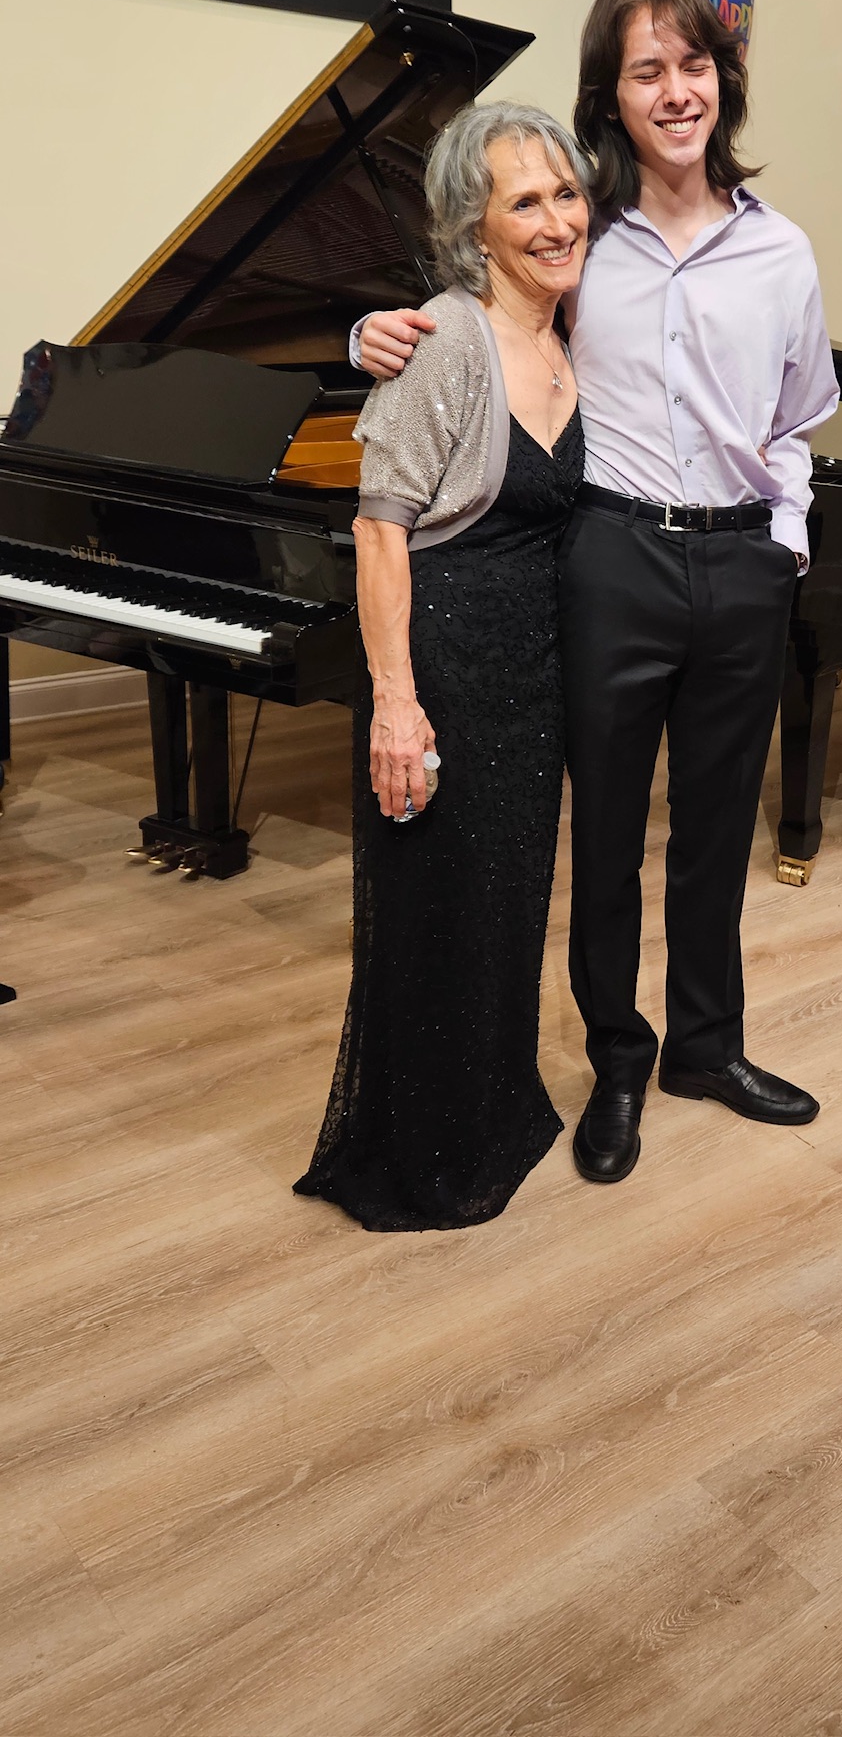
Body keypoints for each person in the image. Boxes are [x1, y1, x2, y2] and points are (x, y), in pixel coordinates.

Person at [354, 0, 840, 1186]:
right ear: (611, 96)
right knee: (611, 835)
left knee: (719, 830)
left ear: (722, 80)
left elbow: (801, 417)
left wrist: (779, 543)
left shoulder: (784, 253)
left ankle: (708, 1047)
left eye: (693, 64)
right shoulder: (579, 239)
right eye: (646, 70)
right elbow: (469, 321)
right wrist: (360, 333)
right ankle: (619, 1057)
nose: (674, 91)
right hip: (611, 555)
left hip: (740, 562)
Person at [294, 102, 588, 1231]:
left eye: (566, 192)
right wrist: (397, 705)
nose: (557, 219)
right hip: (449, 667)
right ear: (475, 224)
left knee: (508, 907)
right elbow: (379, 527)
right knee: (435, 912)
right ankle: (419, 1149)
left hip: (535, 677)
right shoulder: (443, 341)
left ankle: (495, 1109)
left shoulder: (571, 335)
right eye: (527, 199)